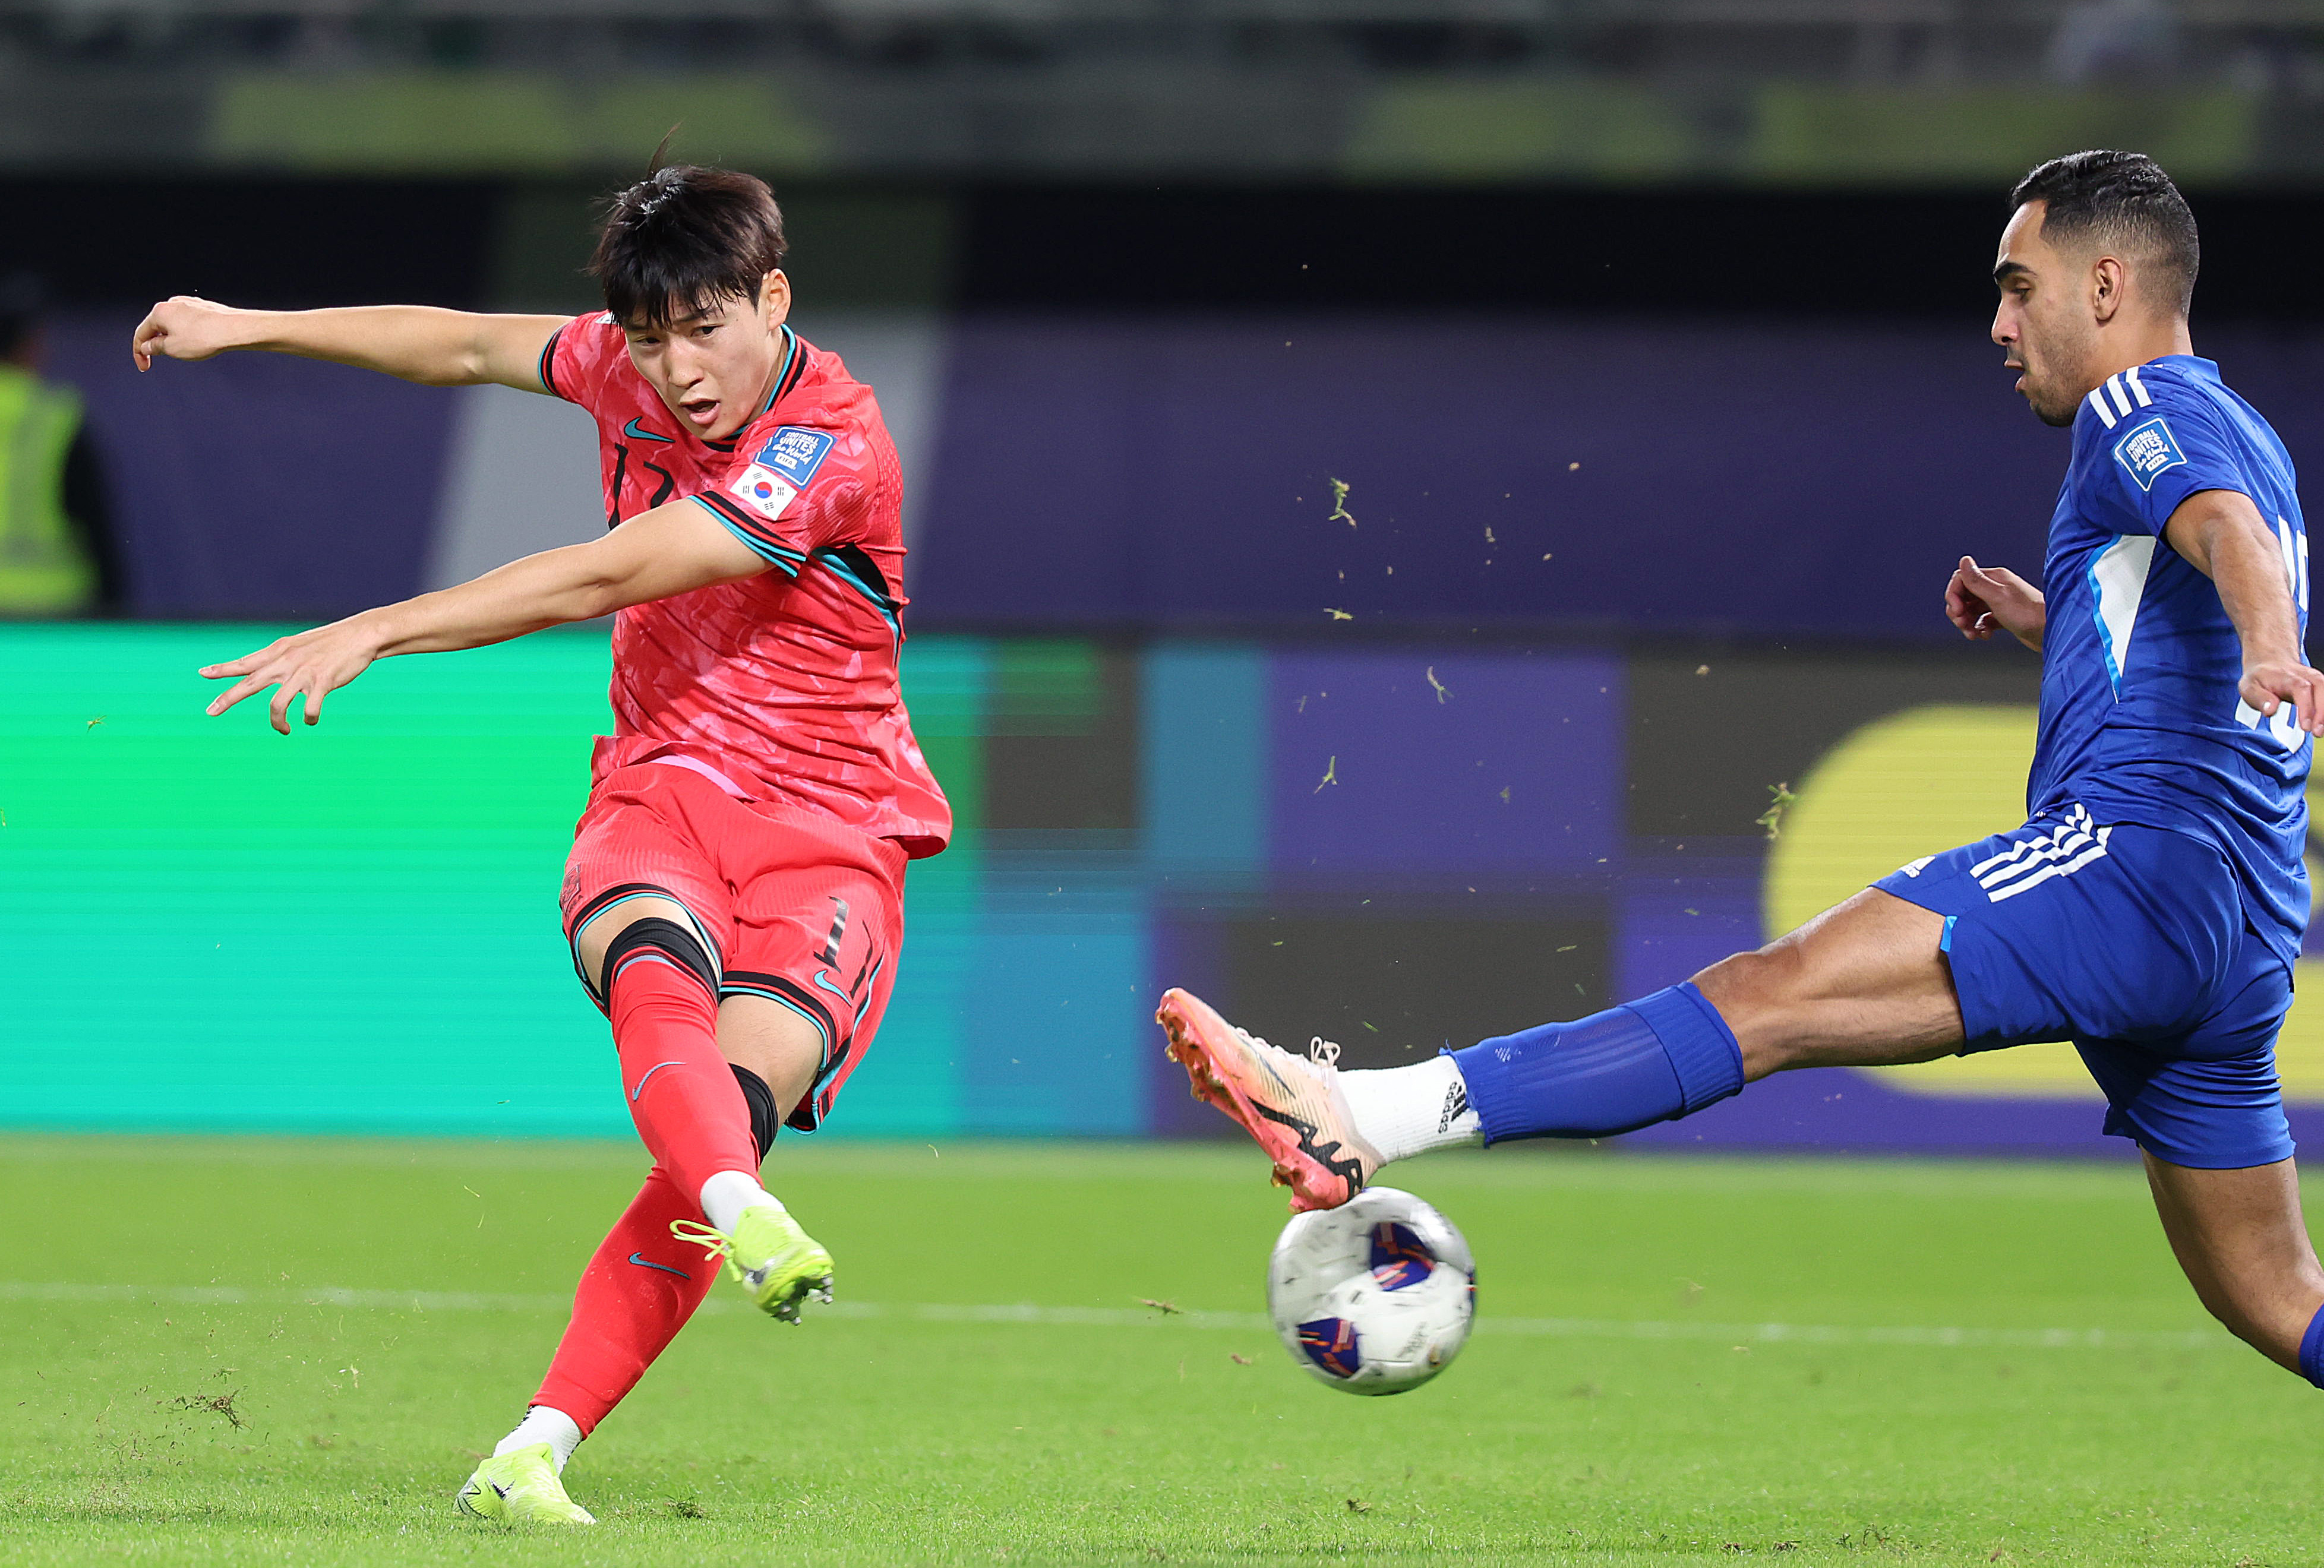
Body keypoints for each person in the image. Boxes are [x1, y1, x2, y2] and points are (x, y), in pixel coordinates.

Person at [1160, 150, 2324, 1390]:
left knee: (1766, 999)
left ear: (2105, 284)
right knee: (2274, 1295)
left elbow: (2224, 534)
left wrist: (2273, 646)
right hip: (2243, 926)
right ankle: (1368, 1112)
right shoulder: (2247, 428)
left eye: (2017, 286)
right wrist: (2068, 621)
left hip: (2139, 863)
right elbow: (2205, 565)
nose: (1998, 323)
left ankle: (1365, 1112)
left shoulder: (2137, 408)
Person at [131, 165, 951, 1525]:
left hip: (836, 826)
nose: (678, 371)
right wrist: (250, 322)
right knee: (653, 977)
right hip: (663, 782)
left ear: (774, 300)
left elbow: (613, 571)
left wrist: (379, 625)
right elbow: (457, 340)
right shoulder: (622, 365)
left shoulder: (832, 442)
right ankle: (730, 1212)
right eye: (649, 338)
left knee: (725, 1108)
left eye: (707, 329)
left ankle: (534, 1445)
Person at [0, 271, 119, 615]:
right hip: (53, 609)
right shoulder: (55, 417)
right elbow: (94, 520)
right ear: (29, 344)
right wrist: (116, 605)